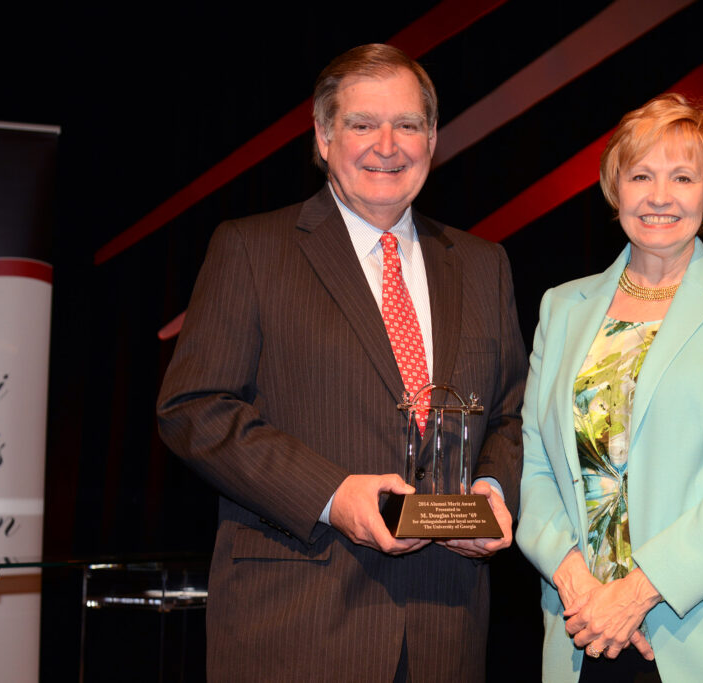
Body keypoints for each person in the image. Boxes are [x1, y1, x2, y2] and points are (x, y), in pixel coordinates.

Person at [157, 44, 527, 682]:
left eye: (408, 124)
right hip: (296, 628)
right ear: (324, 136)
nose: (388, 144)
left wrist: (491, 493)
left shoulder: (483, 263)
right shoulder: (250, 248)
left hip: (445, 629)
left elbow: (510, 415)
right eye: (362, 124)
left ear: (433, 138)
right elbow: (193, 409)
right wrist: (331, 495)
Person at [516, 93, 703, 682]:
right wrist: (576, 581)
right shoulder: (561, 307)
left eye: (683, 177)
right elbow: (534, 468)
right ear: (615, 189)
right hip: (587, 632)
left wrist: (634, 594)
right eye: (641, 176)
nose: (660, 196)